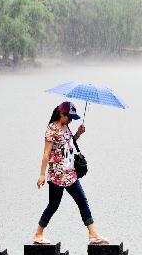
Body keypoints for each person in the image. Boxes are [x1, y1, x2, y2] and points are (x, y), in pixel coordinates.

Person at [34, 101, 108, 245]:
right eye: (69, 117)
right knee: (53, 205)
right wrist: (42, 175)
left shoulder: (66, 126)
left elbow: (68, 143)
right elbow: (46, 153)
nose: (71, 120)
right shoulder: (51, 129)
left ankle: (93, 234)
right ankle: (38, 234)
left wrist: (78, 133)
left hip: (70, 173)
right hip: (57, 174)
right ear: (61, 113)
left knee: (82, 201)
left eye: (73, 118)